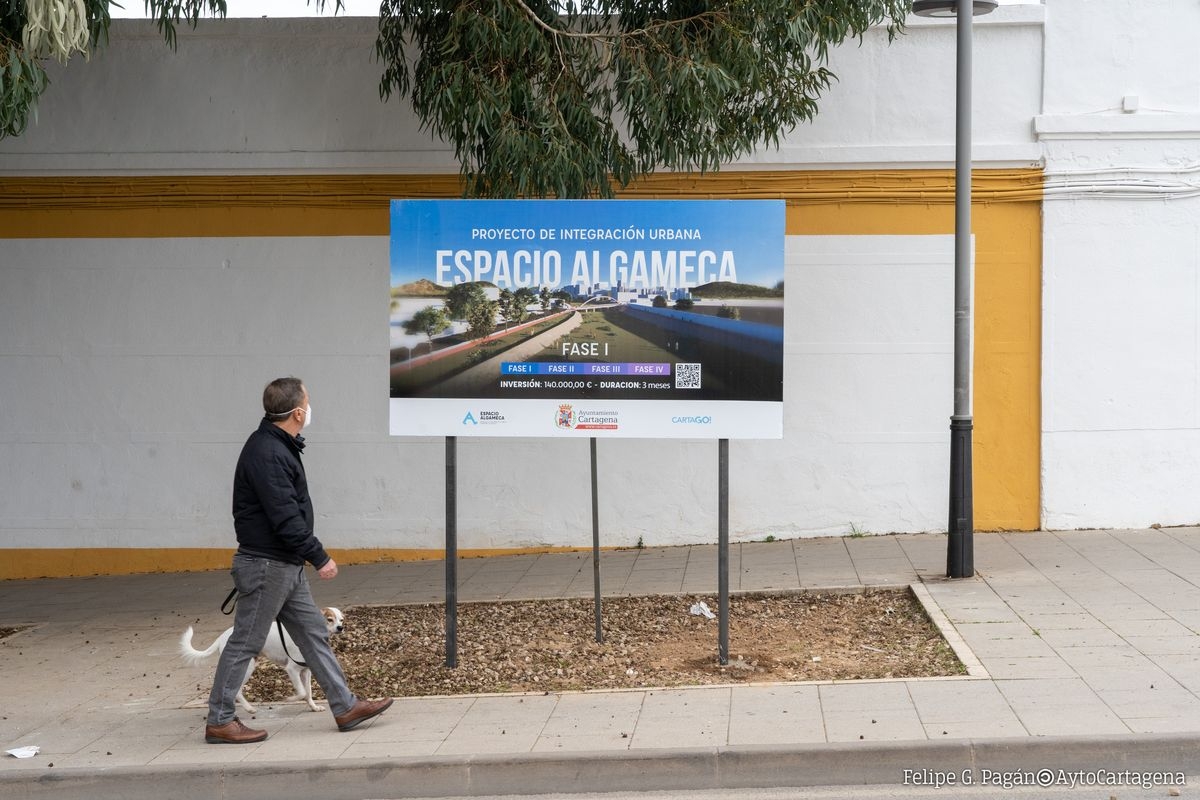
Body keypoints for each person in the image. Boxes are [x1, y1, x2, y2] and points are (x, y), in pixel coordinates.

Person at [204, 377, 392, 744]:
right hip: (267, 566)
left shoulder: (277, 446)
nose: (311, 409)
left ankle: (344, 705)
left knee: (314, 635)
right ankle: (220, 719)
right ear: (297, 412)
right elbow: (284, 515)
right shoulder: (268, 453)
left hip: (284, 565)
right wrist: (319, 556)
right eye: (308, 403)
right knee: (246, 641)